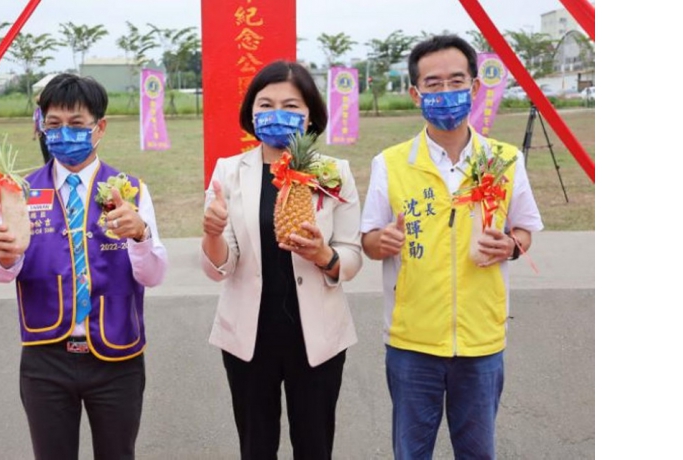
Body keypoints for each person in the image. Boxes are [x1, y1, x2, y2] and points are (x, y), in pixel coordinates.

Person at [359, 35, 544, 459]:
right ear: (415, 93)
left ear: (475, 87)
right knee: (411, 452)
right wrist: (380, 241)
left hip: (481, 341)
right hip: (411, 342)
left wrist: (511, 247)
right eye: (433, 83)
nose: (446, 93)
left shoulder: (504, 160)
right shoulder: (390, 163)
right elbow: (368, 239)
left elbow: (525, 231)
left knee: (478, 452)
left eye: (456, 81)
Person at [0, 73, 168, 460]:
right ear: (41, 127)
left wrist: (141, 236)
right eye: (53, 124)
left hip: (118, 356)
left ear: (99, 128)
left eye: (77, 124)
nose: (64, 133)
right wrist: (5, 257)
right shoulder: (19, 191)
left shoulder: (130, 189)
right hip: (45, 358)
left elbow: (154, 275)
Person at [200, 60, 363, 459]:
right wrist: (211, 232)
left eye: (291, 106)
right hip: (249, 335)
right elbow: (221, 266)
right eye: (265, 104)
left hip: (317, 336)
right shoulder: (229, 172)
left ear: (310, 115)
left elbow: (352, 254)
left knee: (314, 445)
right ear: (251, 114)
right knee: (256, 446)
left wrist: (326, 256)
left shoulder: (333, 172)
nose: (278, 114)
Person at [32, 93, 51, 163]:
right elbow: (35, 123)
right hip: (41, 134)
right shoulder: (37, 111)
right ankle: (46, 166)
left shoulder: (48, 110)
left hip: (49, 134)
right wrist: (34, 134)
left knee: (50, 152)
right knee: (44, 152)